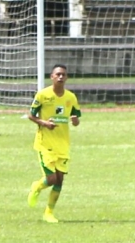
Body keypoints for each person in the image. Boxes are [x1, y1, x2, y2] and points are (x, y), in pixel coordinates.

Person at [26, 64, 82, 223]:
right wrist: (44, 123)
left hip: (63, 144)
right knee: (51, 179)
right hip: (45, 143)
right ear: (51, 77)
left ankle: (48, 213)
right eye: (57, 74)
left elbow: (76, 120)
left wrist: (75, 120)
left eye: (63, 74)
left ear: (67, 77)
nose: (60, 77)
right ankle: (37, 187)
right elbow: (31, 115)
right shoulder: (43, 95)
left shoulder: (70, 97)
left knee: (60, 180)